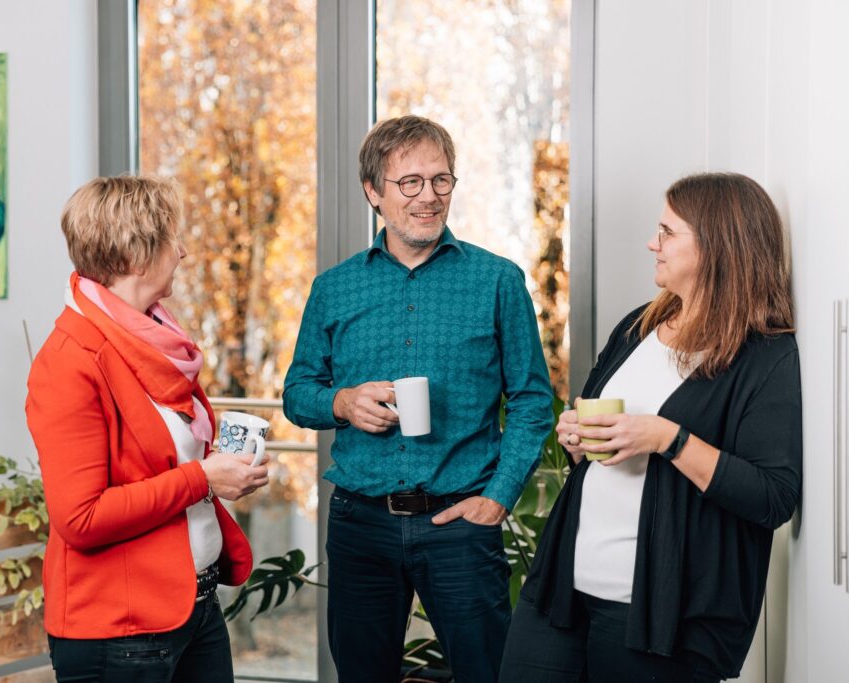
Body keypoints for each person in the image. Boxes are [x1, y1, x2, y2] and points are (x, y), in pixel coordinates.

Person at [499, 172, 802, 682]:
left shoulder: (764, 356)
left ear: (716, 246)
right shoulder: (639, 324)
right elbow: (591, 432)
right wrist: (575, 434)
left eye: (666, 232)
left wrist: (668, 438)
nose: (651, 243)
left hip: (666, 617)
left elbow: (771, 497)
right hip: (562, 590)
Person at [283, 115, 554, 682]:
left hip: (461, 522)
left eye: (440, 180)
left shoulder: (498, 281)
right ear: (373, 193)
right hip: (360, 525)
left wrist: (497, 499)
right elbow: (297, 394)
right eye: (409, 182)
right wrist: (343, 404)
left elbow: (532, 401)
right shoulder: (334, 288)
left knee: (486, 674)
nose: (427, 197)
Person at [26, 176, 269, 682]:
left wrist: (222, 468)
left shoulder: (158, 339)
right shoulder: (71, 361)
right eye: (170, 241)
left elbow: (162, 454)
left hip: (194, 606)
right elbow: (81, 518)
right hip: (121, 631)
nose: (181, 253)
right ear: (137, 256)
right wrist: (204, 478)